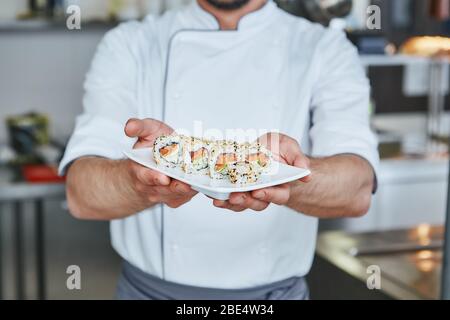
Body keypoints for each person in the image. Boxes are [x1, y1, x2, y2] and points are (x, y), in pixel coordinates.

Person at [60, 0, 378, 300]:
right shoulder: (130, 43)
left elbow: (357, 190)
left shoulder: (325, 48)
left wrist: (285, 177)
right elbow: (81, 195)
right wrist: (141, 182)